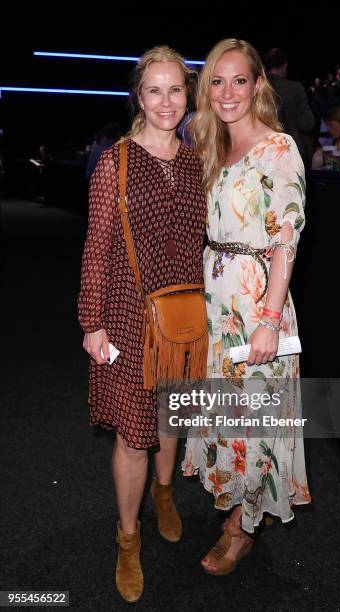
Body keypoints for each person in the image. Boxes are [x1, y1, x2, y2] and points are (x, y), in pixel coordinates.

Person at [77, 46, 206, 602]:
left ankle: (165, 492)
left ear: (187, 95)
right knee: (134, 433)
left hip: (185, 317)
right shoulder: (115, 163)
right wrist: (91, 321)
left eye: (175, 89)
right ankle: (128, 539)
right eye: (154, 90)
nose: (166, 101)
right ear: (139, 96)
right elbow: (96, 250)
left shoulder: (201, 161)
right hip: (128, 319)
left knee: (170, 416)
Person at [182, 39, 311, 575]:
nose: (227, 92)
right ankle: (237, 503)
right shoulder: (213, 146)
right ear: (206, 90)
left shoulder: (278, 147)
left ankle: (242, 528)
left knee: (255, 421)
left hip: (258, 306)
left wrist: (267, 319)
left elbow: (287, 236)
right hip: (218, 308)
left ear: (259, 84)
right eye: (217, 81)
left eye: (239, 80)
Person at [264, 47, 315, 166]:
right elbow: (308, 124)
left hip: (261, 152)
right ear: (285, 65)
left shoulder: (255, 87)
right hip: (290, 152)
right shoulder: (294, 88)